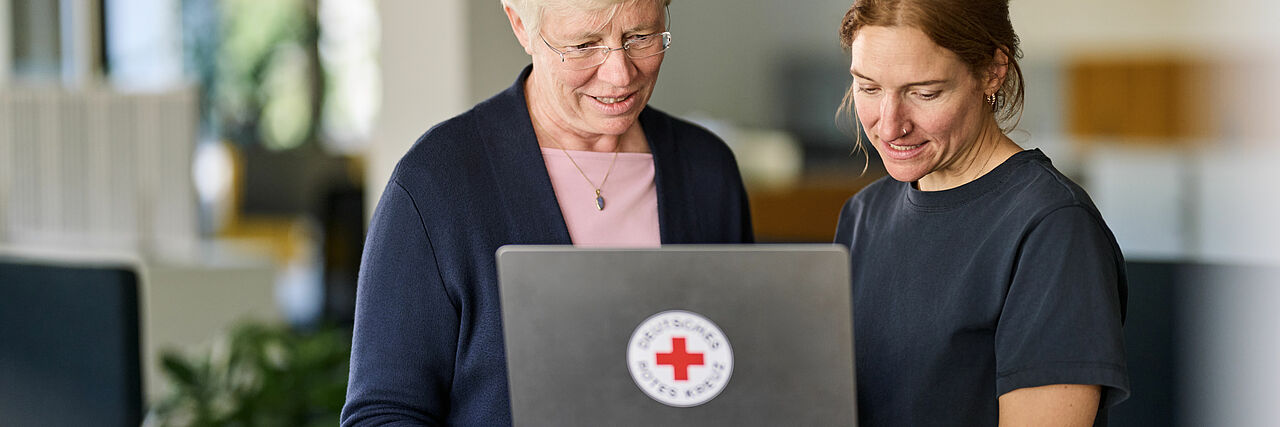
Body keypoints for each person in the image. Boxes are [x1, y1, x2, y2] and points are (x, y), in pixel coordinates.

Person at [340, 0, 752, 425]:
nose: (620, 74)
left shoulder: (708, 171)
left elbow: (736, 380)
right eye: (583, 44)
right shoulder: (436, 183)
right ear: (520, 24)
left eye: (641, 37)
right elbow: (383, 414)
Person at [831, 0, 1130, 425]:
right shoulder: (863, 215)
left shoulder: (1053, 228)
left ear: (993, 71)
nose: (890, 124)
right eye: (869, 88)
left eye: (925, 93)